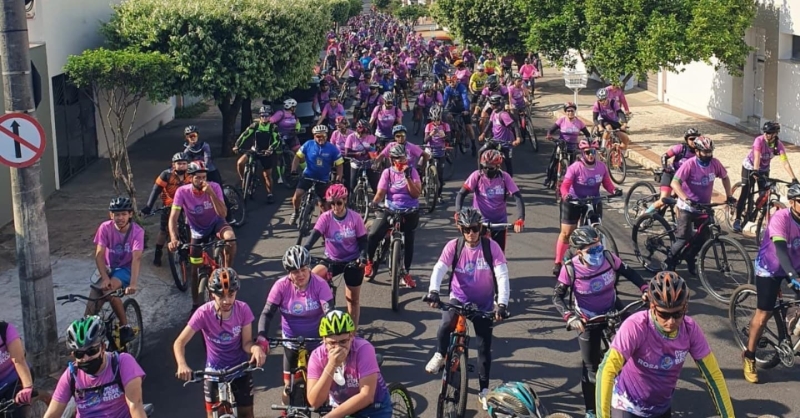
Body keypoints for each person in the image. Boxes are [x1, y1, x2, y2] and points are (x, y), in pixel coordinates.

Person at [596, 272, 735, 418]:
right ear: (652, 306)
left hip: (660, 408)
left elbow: (713, 376)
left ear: (685, 307)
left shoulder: (690, 329)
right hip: (627, 406)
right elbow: (606, 371)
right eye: (664, 314)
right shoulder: (635, 326)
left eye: (677, 314)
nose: (671, 322)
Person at [552, 227, 647, 418]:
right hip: (588, 319)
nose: (597, 253)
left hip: (613, 308)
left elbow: (630, 273)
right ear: (579, 252)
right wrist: (570, 317)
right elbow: (557, 297)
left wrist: (644, 288)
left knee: (635, 348)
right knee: (590, 367)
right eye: (591, 250)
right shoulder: (570, 269)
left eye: (598, 247)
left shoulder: (609, 257)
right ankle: (590, 409)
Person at [424, 207, 510, 411]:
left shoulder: (491, 248)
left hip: (484, 304)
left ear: (480, 228)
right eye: (466, 229)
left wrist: (502, 303)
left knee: (483, 347)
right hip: (459, 297)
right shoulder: (454, 246)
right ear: (460, 230)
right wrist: (433, 291)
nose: (471, 234)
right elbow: (439, 269)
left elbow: (502, 275)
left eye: (475, 229)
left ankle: (484, 390)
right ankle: (439, 354)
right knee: (446, 323)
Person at [174, 268, 264, 418]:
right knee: (212, 414)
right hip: (213, 372)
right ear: (211, 294)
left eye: (231, 295)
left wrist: (255, 349)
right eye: (220, 295)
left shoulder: (243, 310)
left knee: (246, 413)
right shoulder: (203, 313)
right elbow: (179, 342)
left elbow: (246, 343)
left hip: (239, 369)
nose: (226, 301)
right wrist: (182, 364)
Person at [257, 246, 333, 406]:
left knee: (325, 387)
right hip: (291, 341)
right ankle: (287, 410)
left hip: (317, 341)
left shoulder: (320, 284)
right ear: (288, 273)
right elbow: (267, 313)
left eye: (303, 269)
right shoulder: (280, 286)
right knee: (288, 387)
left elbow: (329, 312)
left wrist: (331, 336)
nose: (300, 275)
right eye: (295, 271)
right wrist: (262, 336)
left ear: (309, 267)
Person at [744, 183, 800, 383]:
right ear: (792, 202)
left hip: (795, 264)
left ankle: (792, 319)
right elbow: (780, 250)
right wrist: (792, 276)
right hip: (770, 268)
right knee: (763, 314)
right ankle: (749, 356)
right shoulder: (781, 218)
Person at [44, 316, 147, 418]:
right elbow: (52, 414)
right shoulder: (71, 375)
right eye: (79, 354)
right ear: (73, 355)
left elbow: (135, 406)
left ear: (103, 347)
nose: (86, 358)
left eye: (91, 351)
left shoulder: (122, 363)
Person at [168, 162, 237, 311]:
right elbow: (173, 217)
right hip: (197, 232)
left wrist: (211, 193)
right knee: (195, 270)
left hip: (216, 224)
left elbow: (223, 214)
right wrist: (174, 238)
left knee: (230, 238)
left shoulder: (215, 187)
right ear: (190, 178)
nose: (202, 181)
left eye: (204, 177)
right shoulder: (182, 192)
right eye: (198, 178)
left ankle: (228, 273)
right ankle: (195, 304)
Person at [307, 310, 393, 418]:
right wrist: (331, 365)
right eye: (332, 343)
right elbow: (314, 402)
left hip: (374, 408)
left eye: (343, 342)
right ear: (324, 340)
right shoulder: (317, 356)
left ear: (351, 336)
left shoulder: (364, 349)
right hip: (341, 406)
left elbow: (366, 396)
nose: (338, 348)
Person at [554, 139, 622, 276]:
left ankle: (597, 257)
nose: (591, 155)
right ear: (582, 153)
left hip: (593, 200)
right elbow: (565, 185)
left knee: (596, 232)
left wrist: (614, 191)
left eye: (593, 152)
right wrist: (566, 194)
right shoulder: (575, 167)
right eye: (587, 152)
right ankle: (558, 262)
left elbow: (607, 183)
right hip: (573, 201)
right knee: (567, 233)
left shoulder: (601, 167)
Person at [669, 136, 735, 275]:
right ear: (697, 152)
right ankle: (669, 262)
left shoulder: (715, 163)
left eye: (710, 152)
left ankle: (690, 257)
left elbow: (725, 177)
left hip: (704, 207)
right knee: (682, 239)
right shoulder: (689, 164)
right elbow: (674, 183)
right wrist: (686, 198)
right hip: (687, 207)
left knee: (703, 237)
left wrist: (729, 195)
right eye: (705, 152)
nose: (708, 155)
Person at [304, 185, 367, 327]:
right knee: (311, 278)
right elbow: (314, 235)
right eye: (331, 203)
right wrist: (304, 249)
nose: (335, 207)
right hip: (331, 259)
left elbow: (363, 241)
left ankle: (352, 333)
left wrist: (363, 256)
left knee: (352, 299)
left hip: (352, 261)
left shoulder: (355, 218)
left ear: (345, 200)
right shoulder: (325, 218)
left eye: (338, 202)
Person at [89, 197, 144, 345]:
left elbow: (136, 258)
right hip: (106, 268)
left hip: (125, 269)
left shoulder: (137, 232)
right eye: (116, 214)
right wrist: (105, 277)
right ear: (110, 215)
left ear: (130, 215)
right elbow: (99, 255)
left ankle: (125, 327)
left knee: (109, 291)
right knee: (90, 310)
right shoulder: (105, 228)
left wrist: (133, 284)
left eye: (123, 214)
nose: (120, 218)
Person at [365, 144, 421, 288]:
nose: (401, 160)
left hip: (410, 211)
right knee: (373, 234)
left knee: (409, 241)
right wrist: (374, 202)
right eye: (397, 158)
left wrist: (407, 177)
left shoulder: (412, 171)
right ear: (391, 159)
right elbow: (380, 193)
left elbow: (416, 194)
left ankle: (406, 273)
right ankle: (369, 262)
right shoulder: (387, 173)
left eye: (403, 157)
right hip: (391, 209)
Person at [733, 121, 798, 232]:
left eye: (769, 133)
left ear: (775, 134)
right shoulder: (759, 140)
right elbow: (757, 157)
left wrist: (794, 178)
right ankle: (737, 219)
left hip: (764, 169)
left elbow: (785, 162)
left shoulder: (778, 145)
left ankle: (757, 213)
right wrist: (755, 171)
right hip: (750, 167)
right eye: (765, 132)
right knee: (746, 191)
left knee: (764, 194)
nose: (766, 134)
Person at [455, 149, 524, 252]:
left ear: (498, 167)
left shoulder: (505, 177)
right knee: (474, 252)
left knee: (499, 255)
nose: (486, 170)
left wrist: (520, 219)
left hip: (499, 223)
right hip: (479, 223)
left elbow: (517, 196)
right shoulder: (477, 176)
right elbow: (461, 194)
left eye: (490, 168)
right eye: (484, 167)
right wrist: (458, 212)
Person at [290, 125, 344, 223]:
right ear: (314, 136)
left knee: (324, 206)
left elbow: (339, 165)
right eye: (318, 136)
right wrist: (293, 170)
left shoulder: (332, 149)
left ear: (326, 136)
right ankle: (296, 212)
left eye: (323, 136)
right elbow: (297, 157)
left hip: (323, 180)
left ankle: (325, 226)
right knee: (297, 196)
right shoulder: (308, 144)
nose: (320, 138)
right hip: (308, 176)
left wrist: (338, 179)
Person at [645, 128, 700, 214]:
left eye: (695, 139)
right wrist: (665, 167)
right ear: (686, 139)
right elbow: (664, 156)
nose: (693, 141)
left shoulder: (698, 152)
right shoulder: (681, 148)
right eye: (691, 139)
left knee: (681, 203)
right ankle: (644, 215)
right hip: (670, 175)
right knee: (663, 200)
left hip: (682, 180)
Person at [233, 106, 280, 204]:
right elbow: (244, 135)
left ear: (270, 116)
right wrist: (237, 145)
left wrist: (270, 149)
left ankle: (270, 194)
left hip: (266, 152)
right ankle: (243, 180)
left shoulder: (273, 127)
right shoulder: (255, 126)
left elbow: (276, 141)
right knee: (240, 163)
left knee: (267, 175)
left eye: (266, 116)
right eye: (262, 115)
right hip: (254, 150)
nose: (264, 118)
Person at [544, 102, 592, 189]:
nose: (570, 113)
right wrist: (549, 134)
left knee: (574, 166)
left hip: (573, 146)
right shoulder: (561, 120)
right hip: (561, 144)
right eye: (568, 111)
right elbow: (551, 129)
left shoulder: (579, 122)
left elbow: (587, 134)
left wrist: (589, 140)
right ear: (565, 112)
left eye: (572, 111)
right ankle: (549, 179)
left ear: (575, 112)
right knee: (553, 162)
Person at [478, 95, 521, 176]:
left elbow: (514, 126)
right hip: (494, 140)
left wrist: (518, 138)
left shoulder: (503, 115)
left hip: (505, 143)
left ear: (496, 105)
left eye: (492, 104)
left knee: (508, 162)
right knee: (480, 152)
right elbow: (490, 124)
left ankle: (509, 181)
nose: (490, 105)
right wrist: (483, 134)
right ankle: (480, 174)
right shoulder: (494, 112)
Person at [0, 321, 35, 418]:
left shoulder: (5, 330)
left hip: (15, 377)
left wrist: (27, 387)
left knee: (14, 413)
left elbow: (19, 361)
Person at [443, 76, 476, 156]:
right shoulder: (447, 89)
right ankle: (452, 132)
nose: (451, 84)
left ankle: (473, 145)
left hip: (463, 108)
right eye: (449, 82)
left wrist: (466, 110)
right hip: (453, 107)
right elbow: (444, 100)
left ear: (456, 81)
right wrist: (442, 108)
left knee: (468, 126)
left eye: (453, 82)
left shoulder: (462, 87)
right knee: (448, 118)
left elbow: (465, 99)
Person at [344, 119, 379, 193]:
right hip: (356, 163)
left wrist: (374, 155)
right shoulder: (351, 137)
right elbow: (346, 153)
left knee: (375, 184)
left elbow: (377, 149)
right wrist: (356, 154)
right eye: (365, 133)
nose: (366, 135)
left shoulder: (371, 137)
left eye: (367, 133)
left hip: (368, 163)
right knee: (352, 186)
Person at [423, 106, 451, 193]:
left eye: (438, 119)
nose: (436, 122)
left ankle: (439, 195)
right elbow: (425, 140)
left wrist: (444, 136)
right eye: (434, 120)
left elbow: (449, 139)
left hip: (440, 151)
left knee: (440, 175)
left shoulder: (445, 126)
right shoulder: (428, 126)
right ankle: (422, 183)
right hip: (429, 150)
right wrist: (430, 134)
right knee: (420, 166)